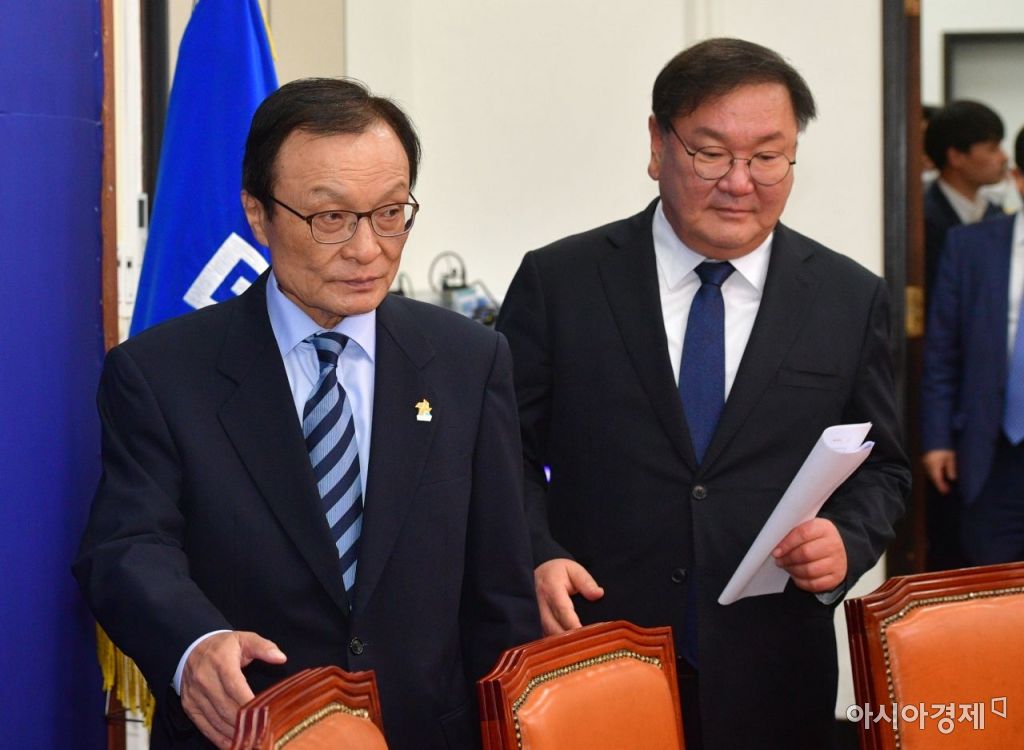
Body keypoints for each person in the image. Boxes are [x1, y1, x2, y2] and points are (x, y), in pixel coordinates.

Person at [74, 78, 540, 750]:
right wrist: (194, 644)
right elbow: (128, 548)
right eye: (331, 218)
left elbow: (500, 592)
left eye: (390, 213)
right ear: (258, 214)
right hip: (248, 730)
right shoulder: (162, 373)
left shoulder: (469, 360)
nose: (367, 248)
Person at [496, 38, 909, 749]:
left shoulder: (847, 297)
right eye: (711, 153)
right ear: (658, 145)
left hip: (774, 668)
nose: (740, 182)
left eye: (768, 157)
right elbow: (501, 453)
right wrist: (535, 553)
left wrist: (847, 541)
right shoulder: (560, 282)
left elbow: (885, 467)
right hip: (595, 648)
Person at [922, 125, 1024, 566]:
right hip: (989, 448)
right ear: (1018, 179)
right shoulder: (970, 246)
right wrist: (937, 438)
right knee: (988, 584)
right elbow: (942, 352)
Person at [923, 100, 1007, 297]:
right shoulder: (923, 220)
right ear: (956, 157)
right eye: (993, 148)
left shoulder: (997, 214)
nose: (1004, 157)